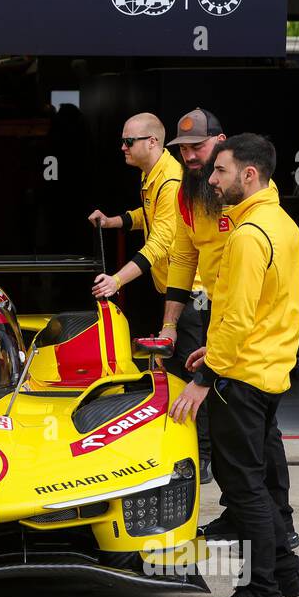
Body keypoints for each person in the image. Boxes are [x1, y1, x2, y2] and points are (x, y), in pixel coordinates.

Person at [169, 134, 299, 597]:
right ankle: (286, 572)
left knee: (243, 490)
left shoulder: (248, 236)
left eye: (220, 171)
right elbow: (263, 310)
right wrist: (219, 348)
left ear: (249, 175)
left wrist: (206, 374)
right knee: (257, 487)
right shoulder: (282, 225)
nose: (211, 179)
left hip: (239, 379)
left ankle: (261, 594)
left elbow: (238, 315)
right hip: (267, 371)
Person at [89, 113, 207, 470]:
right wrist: (115, 221)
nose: (122, 147)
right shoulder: (151, 175)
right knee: (172, 376)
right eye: (122, 141)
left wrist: (117, 280)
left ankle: (203, 457)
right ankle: (176, 448)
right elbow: (148, 215)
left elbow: (160, 242)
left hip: (192, 295)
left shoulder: (171, 180)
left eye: (129, 141)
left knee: (194, 377)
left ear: (152, 142)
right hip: (172, 291)